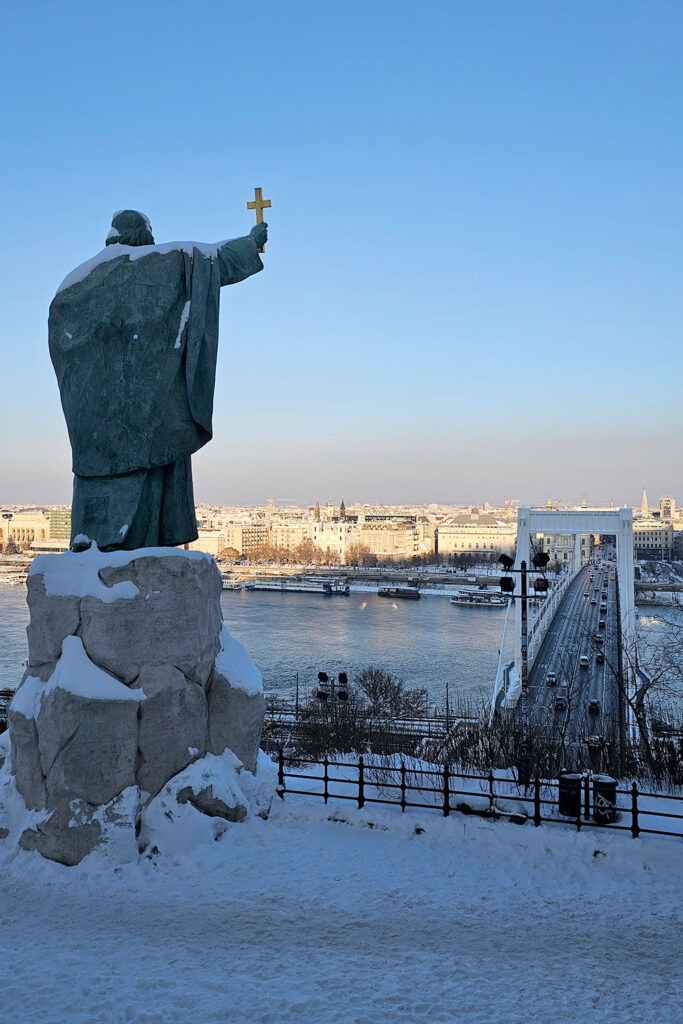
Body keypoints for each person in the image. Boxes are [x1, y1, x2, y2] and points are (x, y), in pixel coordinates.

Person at [48, 209, 267, 550]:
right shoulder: (151, 264)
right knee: (147, 516)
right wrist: (250, 244)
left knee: (93, 526)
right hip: (146, 427)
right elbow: (208, 262)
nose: (152, 242)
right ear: (139, 236)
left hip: (92, 440)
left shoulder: (72, 286)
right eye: (149, 235)